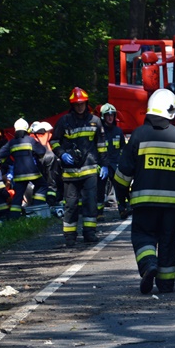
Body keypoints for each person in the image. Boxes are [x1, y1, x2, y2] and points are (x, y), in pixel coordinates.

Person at [114, 89, 175, 294]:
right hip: (173, 207)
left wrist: (122, 199)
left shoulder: (138, 135)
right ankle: (166, 284)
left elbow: (123, 175)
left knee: (143, 236)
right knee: (168, 242)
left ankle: (148, 264)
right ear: (171, 111)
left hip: (144, 203)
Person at [52, 87, 104, 246]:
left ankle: (89, 233)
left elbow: (101, 145)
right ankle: (69, 236)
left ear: (86, 104)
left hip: (89, 169)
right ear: (72, 105)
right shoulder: (64, 121)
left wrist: (104, 165)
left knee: (90, 203)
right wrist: (62, 154)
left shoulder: (95, 121)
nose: (80, 107)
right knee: (71, 205)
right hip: (70, 172)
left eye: (82, 104)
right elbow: (54, 141)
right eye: (77, 104)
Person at [0, 118, 48, 219]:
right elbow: (42, 151)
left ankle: (14, 217)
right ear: (26, 129)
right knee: (42, 185)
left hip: (19, 174)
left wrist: (9, 162)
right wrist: (35, 155)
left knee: (18, 195)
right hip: (32, 172)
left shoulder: (11, 143)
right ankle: (37, 207)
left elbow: (1, 155)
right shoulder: (30, 140)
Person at [97, 103, 128, 220]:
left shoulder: (118, 131)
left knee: (120, 188)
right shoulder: (99, 132)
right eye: (107, 115)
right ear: (103, 116)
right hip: (103, 165)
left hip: (116, 165)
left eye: (112, 115)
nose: (110, 117)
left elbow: (123, 148)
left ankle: (123, 210)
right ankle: (99, 212)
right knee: (100, 189)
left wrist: (122, 162)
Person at [30, 121, 59, 206]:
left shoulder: (31, 137)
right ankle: (50, 201)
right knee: (51, 182)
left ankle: (38, 203)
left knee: (40, 184)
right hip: (47, 158)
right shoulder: (43, 135)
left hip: (38, 161)